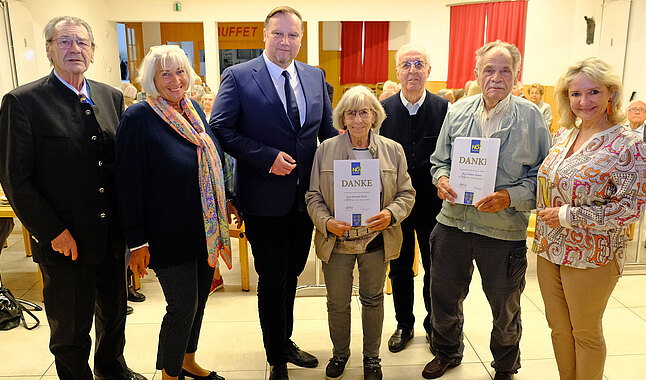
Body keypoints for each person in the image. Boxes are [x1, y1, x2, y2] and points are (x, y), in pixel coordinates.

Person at [0, 16, 145, 380]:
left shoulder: (111, 97)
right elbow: (16, 178)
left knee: (113, 317)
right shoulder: (23, 102)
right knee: (71, 331)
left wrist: (132, 231)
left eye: (82, 42)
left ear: (93, 52)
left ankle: (112, 371)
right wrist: (53, 231)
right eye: (64, 42)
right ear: (49, 50)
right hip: (66, 242)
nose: (74, 49)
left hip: (111, 237)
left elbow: (120, 167)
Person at [210, 6, 337, 380]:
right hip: (264, 197)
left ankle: (286, 340)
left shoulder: (315, 76)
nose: (286, 41)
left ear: (301, 38)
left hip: (306, 197)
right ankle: (275, 355)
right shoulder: (238, 76)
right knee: (272, 276)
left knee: (294, 271)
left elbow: (327, 131)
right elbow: (221, 126)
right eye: (278, 34)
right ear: (264, 35)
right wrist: (265, 157)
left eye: (293, 35)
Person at [425, 41, 551, 380]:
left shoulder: (531, 117)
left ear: (516, 75)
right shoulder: (458, 110)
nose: (496, 77)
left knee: (505, 306)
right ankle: (447, 352)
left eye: (505, 70)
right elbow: (439, 161)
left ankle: (506, 366)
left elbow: (543, 177)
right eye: (489, 70)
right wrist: (442, 179)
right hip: (453, 223)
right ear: (477, 73)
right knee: (444, 297)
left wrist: (509, 197)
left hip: (503, 230)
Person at [115, 45, 239, 380]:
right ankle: (170, 374)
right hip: (166, 234)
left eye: (181, 71)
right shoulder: (139, 118)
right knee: (182, 306)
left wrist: (225, 198)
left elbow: (212, 161)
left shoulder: (193, 108)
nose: (175, 80)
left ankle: (187, 360)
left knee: (198, 302)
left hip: (203, 229)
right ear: (151, 78)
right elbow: (127, 185)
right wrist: (137, 241)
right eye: (165, 73)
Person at [533, 57, 646, 380]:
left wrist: (568, 215)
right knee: (558, 330)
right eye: (575, 94)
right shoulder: (564, 134)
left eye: (593, 92)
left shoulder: (629, 145)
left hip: (592, 253)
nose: (584, 102)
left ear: (611, 93)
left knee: (585, 332)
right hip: (548, 248)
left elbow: (630, 208)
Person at [306, 85, 415, 380]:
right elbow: (313, 196)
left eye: (364, 112)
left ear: (375, 116)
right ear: (342, 117)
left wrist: (390, 214)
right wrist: (326, 221)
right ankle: (340, 354)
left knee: (373, 299)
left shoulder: (393, 150)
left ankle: (372, 358)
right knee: (337, 303)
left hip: (376, 241)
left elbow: (406, 194)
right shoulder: (325, 150)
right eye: (351, 113)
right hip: (337, 242)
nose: (357, 120)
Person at [379, 43, 449, 354]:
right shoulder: (382, 111)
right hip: (396, 206)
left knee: (436, 267)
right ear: (397, 71)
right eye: (406, 65)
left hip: (434, 204)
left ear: (429, 71)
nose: (412, 70)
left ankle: (434, 324)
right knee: (400, 267)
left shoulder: (445, 109)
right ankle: (404, 324)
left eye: (419, 64)